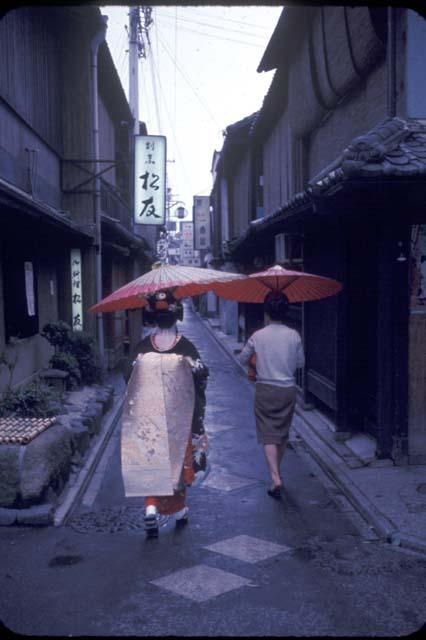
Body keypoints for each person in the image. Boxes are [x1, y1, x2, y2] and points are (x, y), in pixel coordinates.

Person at [123, 290, 209, 538]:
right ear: (176, 317)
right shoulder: (186, 347)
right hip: (178, 417)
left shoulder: (141, 348)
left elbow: (128, 378)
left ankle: (150, 508)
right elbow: (201, 379)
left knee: (152, 462)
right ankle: (180, 511)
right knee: (176, 467)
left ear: (152, 319)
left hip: (148, 416)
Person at [239, 290, 305, 500]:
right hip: (287, 389)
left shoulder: (258, 336)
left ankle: (275, 476)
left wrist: (257, 359)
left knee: (268, 433)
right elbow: (301, 363)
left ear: (267, 312)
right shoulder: (293, 335)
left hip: (266, 389)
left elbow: (242, 358)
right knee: (282, 433)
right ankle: (278, 471)